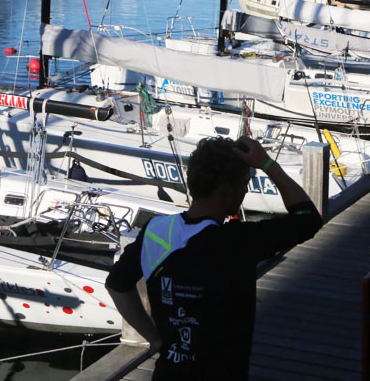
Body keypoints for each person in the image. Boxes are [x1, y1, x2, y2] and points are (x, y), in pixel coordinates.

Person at [105, 136, 323, 380]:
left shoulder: (156, 231)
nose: (246, 190)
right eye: (245, 183)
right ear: (226, 191)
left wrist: (155, 339)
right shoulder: (237, 242)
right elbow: (307, 219)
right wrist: (267, 164)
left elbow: (117, 285)